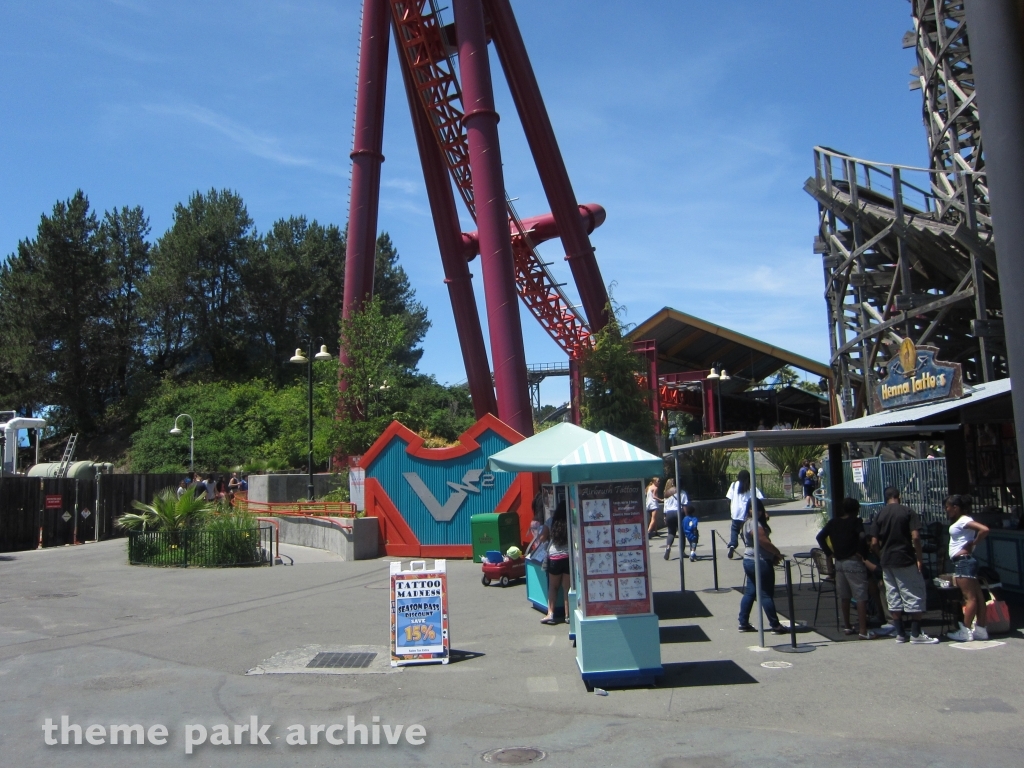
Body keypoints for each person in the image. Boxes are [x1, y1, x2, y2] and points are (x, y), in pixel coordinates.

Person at [869, 487, 938, 644]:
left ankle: (900, 633)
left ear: (886, 498)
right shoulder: (908, 512)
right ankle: (915, 633)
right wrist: (919, 558)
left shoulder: (879, 514)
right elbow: (916, 537)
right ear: (898, 497)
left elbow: (873, 543)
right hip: (905, 558)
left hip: (887, 561)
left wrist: (881, 556)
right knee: (913, 593)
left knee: (893, 596)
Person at [816, 498, 877, 639]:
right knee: (860, 595)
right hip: (853, 560)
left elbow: (820, 537)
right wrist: (861, 552)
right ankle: (863, 630)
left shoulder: (833, 522)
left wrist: (829, 553)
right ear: (856, 510)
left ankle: (848, 626)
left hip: (839, 561)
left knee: (845, 596)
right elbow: (862, 536)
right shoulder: (856, 522)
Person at [944, 494, 990, 642]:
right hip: (967, 561)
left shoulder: (964, 520)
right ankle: (981, 629)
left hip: (963, 562)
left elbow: (984, 529)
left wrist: (974, 542)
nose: (947, 510)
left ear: (955, 507)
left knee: (969, 598)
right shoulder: (962, 521)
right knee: (978, 597)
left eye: (948, 507)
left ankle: (965, 629)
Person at [738, 499, 786, 634]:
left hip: (749, 559)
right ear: (748, 509)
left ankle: (743, 622)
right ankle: (775, 625)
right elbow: (762, 540)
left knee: (750, 592)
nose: (756, 511)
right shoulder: (754, 523)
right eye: (752, 509)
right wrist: (776, 552)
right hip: (760, 561)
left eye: (758, 509)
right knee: (765, 593)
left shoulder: (747, 522)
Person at [542, 503, 570, 625]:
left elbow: (542, 538)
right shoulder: (570, 520)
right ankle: (568, 616)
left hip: (554, 557)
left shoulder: (550, 521)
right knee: (567, 588)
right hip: (568, 556)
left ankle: (550, 614)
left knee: (553, 587)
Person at [726, 470, 763, 559]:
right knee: (746, 532)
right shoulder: (751, 487)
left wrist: (731, 507)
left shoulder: (734, 485)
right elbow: (760, 499)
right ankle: (750, 549)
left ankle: (732, 545)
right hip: (746, 515)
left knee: (734, 530)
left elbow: (728, 498)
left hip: (735, 513)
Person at [661, 480, 688, 560]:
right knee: (681, 533)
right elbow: (685, 505)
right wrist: (687, 517)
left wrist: (665, 516)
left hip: (669, 513)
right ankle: (682, 552)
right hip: (678, 513)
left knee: (671, 532)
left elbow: (665, 506)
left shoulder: (667, 493)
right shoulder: (682, 492)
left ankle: (668, 547)